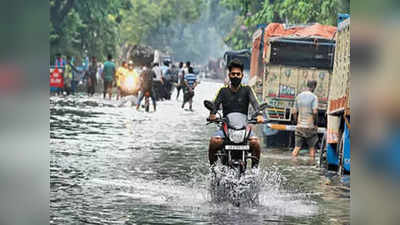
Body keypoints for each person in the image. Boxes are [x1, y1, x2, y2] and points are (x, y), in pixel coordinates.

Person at [207, 58, 264, 168]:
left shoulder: (247, 90)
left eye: (238, 74)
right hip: (226, 128)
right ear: (229, 75)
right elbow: (215, 105)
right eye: (233, 74)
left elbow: (255, 103)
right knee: (214, 142)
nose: (235, 76)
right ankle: (213, 170)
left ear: (242, 75)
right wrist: (212, 114)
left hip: (243, 128)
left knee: (256, 143)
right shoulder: (223, 91)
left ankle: (254, 171)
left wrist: (259, 115)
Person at [291, 80, 319, 158]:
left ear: (307, 85)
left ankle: (293, 163)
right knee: (312, 149)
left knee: (296, 148)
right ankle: (312, 165)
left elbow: (294, 112)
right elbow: (315, 112)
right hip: (310, 127)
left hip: (299, 127)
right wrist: (316, 124)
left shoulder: (298, 96)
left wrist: (296, 121)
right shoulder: (314, 97)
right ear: (314, 86)